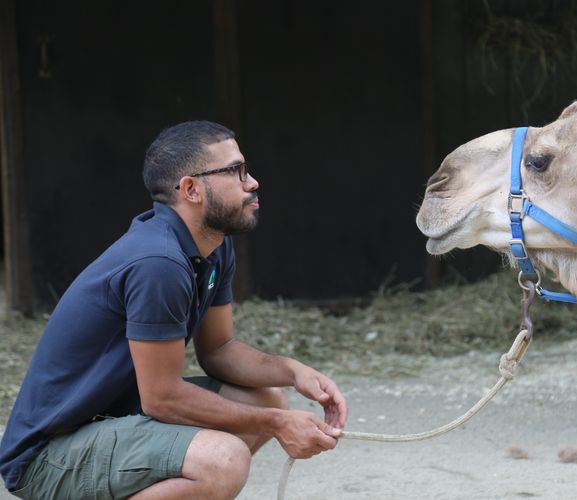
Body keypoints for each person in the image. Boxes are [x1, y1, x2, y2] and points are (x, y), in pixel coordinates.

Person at [0, 121, 347, 499]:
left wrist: (293, 372)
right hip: (49, 456)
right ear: (191, 189)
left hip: (112, 421)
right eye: (235, 171)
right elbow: (162, 398)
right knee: (223, 460)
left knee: (264, 398)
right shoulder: (158, 263)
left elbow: (218, 350)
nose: (252, 182)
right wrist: (279, 424)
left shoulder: (213, 246)